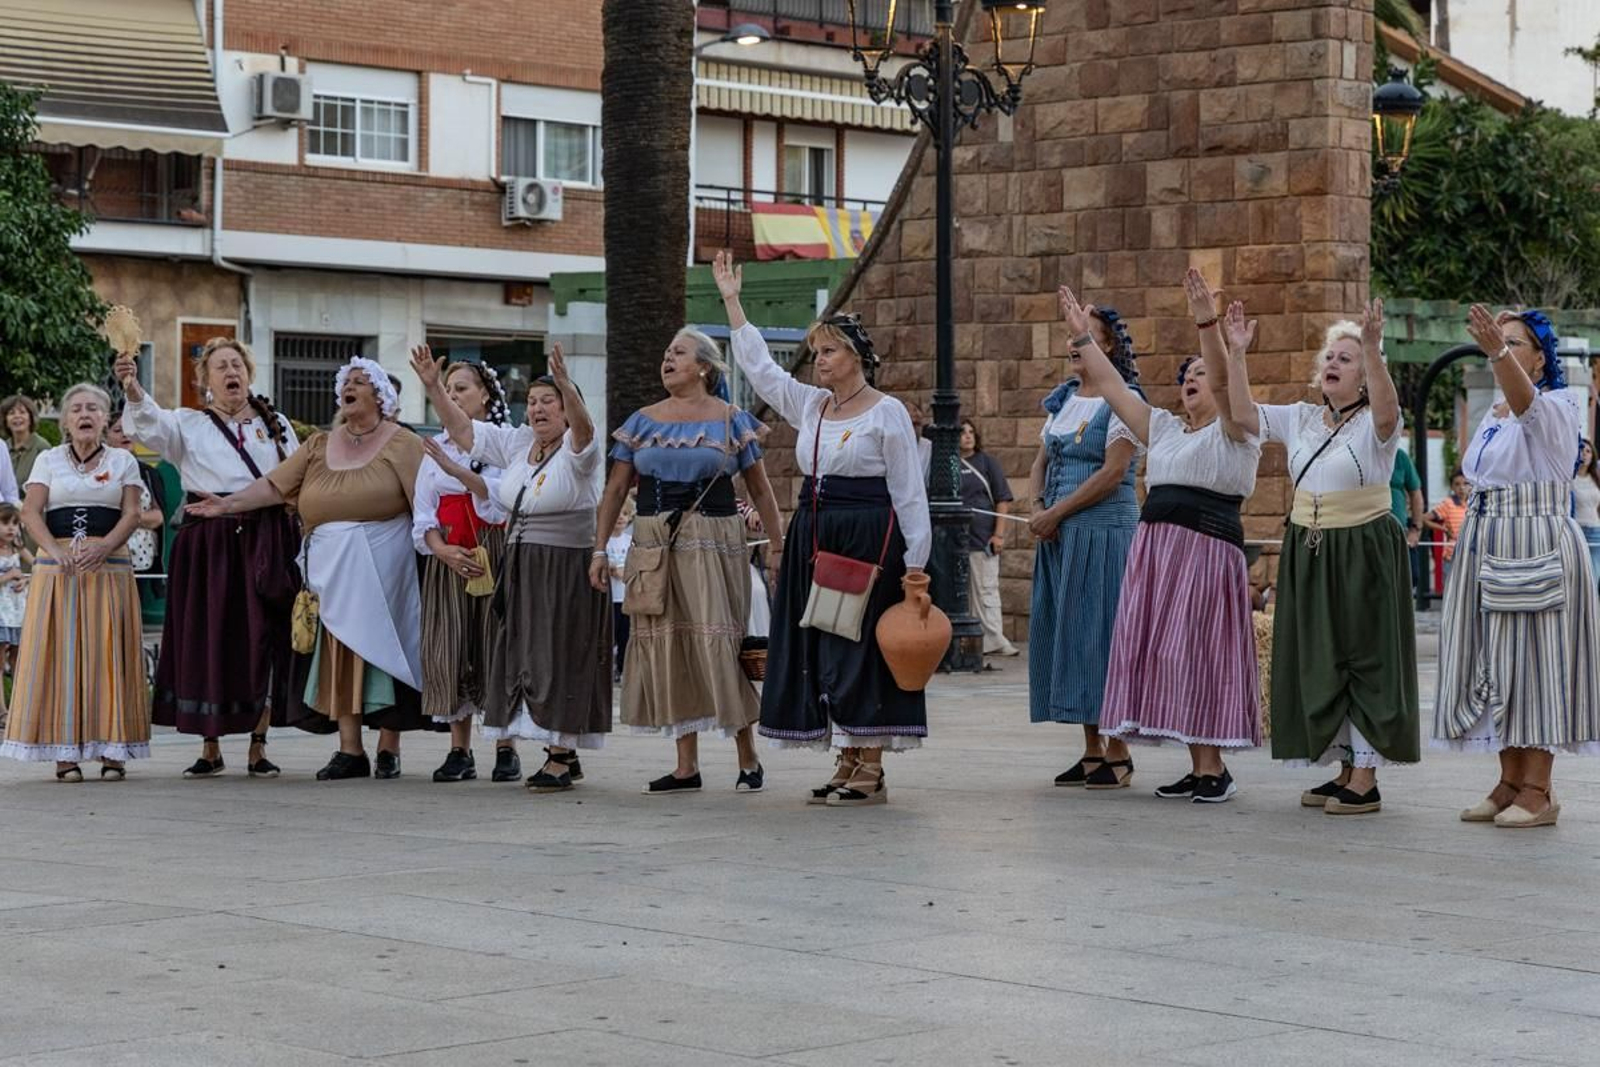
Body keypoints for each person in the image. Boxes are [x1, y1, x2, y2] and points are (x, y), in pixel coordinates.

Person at [716, 251, 931, 806]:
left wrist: (915, 564)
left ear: (857, 356)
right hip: (816, 531)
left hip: (868, 534)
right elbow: (763, 373)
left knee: (860, 643)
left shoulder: (887, 413)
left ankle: (872, 763)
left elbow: (908, 492)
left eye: (829, 351)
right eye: (817, 353)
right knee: (823, 644)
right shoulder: (811, 405)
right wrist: (734, 306)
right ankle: (846, 754)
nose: (820, 362)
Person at [187, 357, 435, 780]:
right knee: (341, 654)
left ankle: (389, 746)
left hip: (384, 566)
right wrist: (227, 503)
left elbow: (423, 506)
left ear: (381, 396)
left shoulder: (402, 443)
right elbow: (274, 485)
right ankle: (350, 750)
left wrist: (437, 551)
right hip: (330, 569)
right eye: (346, 382)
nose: (348, 387)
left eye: (360, 382)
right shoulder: (319, 444)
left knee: (384, 650)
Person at [1069, 275, 1265, 803]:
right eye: (1189, 375)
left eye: (1203, 372)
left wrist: (1207, 325)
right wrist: (1084, 341)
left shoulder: (1237, 431)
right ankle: (1199, 766)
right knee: (1169, 656)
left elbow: (1227, 388)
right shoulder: (1166, 428)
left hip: (1205, 548)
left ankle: (1215, 767)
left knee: (1198, 653)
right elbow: (1113, 387)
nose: (1195, 379)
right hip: (1158, 551)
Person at [592, 312, 784, 795]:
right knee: (666, 641)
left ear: (704, 366)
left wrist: (778, 546)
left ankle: (747, 754)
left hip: (715, 540)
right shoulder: (641, 422)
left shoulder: (730, 419)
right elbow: (615, 491)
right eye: (665, 355)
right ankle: (685, 766)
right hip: (654, 540)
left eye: (677, 353)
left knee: (717, 641)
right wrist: (598, 550)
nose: (667, 361)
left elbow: (760, 492)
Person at [412, 342, 612, 793]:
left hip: (564, 567)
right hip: (522, 563)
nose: (539, 409)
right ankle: (563, 750)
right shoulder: (521, 445)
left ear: (566, 409)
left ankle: (560, 756)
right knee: (528, 656)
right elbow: (465, 431)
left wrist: (566, 384)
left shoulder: (579, 454)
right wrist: (433, 389)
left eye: (550, 401)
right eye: (534, 401)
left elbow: (584, 429)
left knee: (558, 655)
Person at [1435, 306, 1600, 828]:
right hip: (1487, 538)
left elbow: (1527, 406)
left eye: (1513, 342)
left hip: (1535, 541)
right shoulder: (1494, 416)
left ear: (1539, 356)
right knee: (1492, 660)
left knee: (1538, 663)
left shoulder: (1556, 404)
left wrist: (1497, 352)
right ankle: (1508, 781)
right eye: (1499, 341)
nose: (1499, 347)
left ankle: (1539, 789)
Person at [1251, 303, 1418, 815]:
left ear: (1365, 375)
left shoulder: (1376, 424)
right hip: (1312, 547)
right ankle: (1344, 765)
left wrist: (1371, 346)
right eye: (1331, 355)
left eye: (1347, 359)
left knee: (1365, 656)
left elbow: (1388, 412)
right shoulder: (1302, 419)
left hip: (1363, 546)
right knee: (1324, 657)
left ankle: (1366, 776)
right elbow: (1237, 413)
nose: (1334, 362)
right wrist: (1230, 350)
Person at [117, 339, 300, 779]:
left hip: (266, 536)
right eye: (220, 366)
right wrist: (133, 387)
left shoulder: (276, 426)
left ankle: (259, 744)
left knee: (264, 636)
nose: (230, 371)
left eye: (237, 364)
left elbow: (296, 477)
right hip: (210, 544)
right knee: (210, 638)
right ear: (206, 382)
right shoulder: (188, 425)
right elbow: (148, 424)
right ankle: (210, 745)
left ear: (248, 374)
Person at [0, 383, 148, 780]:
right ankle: (65, 754)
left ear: (104, 419)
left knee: (107, 653)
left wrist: (104, 548)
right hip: (57, 567)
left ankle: (112, 751)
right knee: (59, 655)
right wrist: (54, 549)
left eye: (94, 409)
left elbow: (132, 513)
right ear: (64, 420)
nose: (85, 415)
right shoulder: (49, 459)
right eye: (77, 409)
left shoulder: (122, 461)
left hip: (110, 565)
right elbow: (31, 512)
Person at [1029, 302, 1142, 789]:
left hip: (1102, 530)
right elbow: (1042, 461)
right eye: (1072, 338)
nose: (1074, 347)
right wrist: (1039, 506)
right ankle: (1091, 747)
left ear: (1107, 346)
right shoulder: (1064, 400)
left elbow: (1114, 472)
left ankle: (1119, 749)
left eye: (1085, 337)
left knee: (1102, 633)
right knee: (1071, 634)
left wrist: (1057, 512)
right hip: (1060, 532)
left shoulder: (1125, 400)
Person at [410, 360, 518, 784]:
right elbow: (423, 515)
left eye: (462, 389)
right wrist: (443, 551)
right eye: (447, 390)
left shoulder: (503, 444)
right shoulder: (434, 448)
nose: (453, 397)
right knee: (450, 644)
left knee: (495, 642)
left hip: (492, 546)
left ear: (485, 395)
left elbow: (502, 500)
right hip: (449, 555)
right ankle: (459, 748)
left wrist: (462, 474)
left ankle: (505, 746)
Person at [958, 419, 1019, 658]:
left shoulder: (987, 463)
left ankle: (994, 638)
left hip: (982, 539)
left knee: (986, 589)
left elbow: (1002, 500)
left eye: (971, 432)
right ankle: (972, 642)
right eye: (962, 432)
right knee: (963, 594)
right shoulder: (948, 465)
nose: (967, 436)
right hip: (955, 541)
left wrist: (998, 534)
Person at [104, 408, 168, 611]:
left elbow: (158, 517)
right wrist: (136, 518)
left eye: (129, 430)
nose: (125, 434)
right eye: (117, 430)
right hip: (106, 555)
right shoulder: (99, 470)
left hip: (140, 559)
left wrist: (129, 518)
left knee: (134, 616)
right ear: (105, 436)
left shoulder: (149, 473)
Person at [605, 494, 636, 681]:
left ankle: (623, 669)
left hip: (626, 597)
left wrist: (624, 571)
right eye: (617, 513)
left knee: (626, 635)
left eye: (625, 513)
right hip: (610, 597)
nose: (621, 517)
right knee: (610, 635)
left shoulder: (630, 540)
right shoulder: (605, 541)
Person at [1390, 445, 1426, 600]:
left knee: (1410, 577)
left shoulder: (1399, 456)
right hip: (1365, 532)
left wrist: (1416, 529)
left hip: (1399, 532)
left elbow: (1416, 494)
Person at [0, 502, 30, 682]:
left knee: (18, 656)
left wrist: (26, 579)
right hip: (2, 612)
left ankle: (17, 704)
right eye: (5, 523)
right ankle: (2, 709)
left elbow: (38, 567)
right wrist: (9, 575)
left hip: (17, 611)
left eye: (15, 523)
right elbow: (12, 574)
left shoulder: (17, 548)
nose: (11, 528)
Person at [1423, 468, 1469, 587]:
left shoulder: (1474, 504)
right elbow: (1424, 519)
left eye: (1465, 483)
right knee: (1450, 593)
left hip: (1470, 556)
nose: (1461, 487)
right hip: (1452, 556)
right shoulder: (1448, 504)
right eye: (1457, 484)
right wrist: (1444, 529)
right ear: (1452, 487)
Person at [2, 395, 51, 487]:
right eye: (11, 413)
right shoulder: (3, 447)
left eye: (22, 412)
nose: (17, 416)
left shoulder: (42, 448)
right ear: (6, 421)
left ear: (31, 419)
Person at [1572, 439, 1600, 582]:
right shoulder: (1570, 479)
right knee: (1577, 576)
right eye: (1581, 450)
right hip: (1577, 531)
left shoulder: (1596, 478)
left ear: (1592, 456)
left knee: (1594, 576)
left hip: (1596, 531)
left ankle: (1594, 605)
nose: (1584, 454)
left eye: (1588, 451)